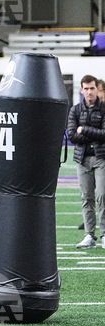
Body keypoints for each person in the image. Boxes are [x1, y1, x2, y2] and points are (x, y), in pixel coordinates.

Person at [68, 74, 105, 249]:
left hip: (101, 158)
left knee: (102, 196)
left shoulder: (104, 108)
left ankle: (104, 234)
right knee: (87, 197)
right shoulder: (75, 110)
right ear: (81, 90)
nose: (89, 92)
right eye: (86, 88)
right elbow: (72, 136)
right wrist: (92, 133)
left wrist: (84, 129)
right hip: (82, 159)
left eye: (92, 88)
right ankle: (89, 235)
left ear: (98, 89)